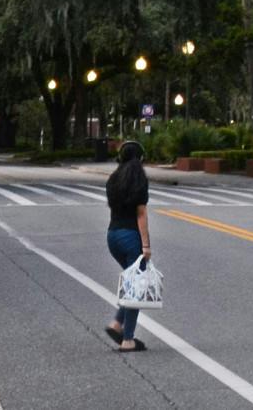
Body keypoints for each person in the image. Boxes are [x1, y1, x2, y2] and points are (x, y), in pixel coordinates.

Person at [104, 140, 150, 353]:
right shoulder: (138, 180)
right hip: (131, 238)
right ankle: (128, 339)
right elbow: (140, 215)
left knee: (133, 284)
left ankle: (117, 324)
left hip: (112, 236)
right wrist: (146, 245)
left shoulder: (113, 179)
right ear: (139, 158)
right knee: (137, 288)